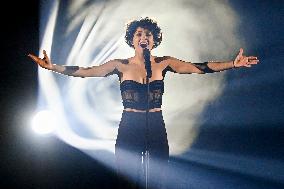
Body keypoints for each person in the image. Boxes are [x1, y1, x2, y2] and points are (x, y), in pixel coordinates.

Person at [28, 17, 259, 189]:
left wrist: (233, 64)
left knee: (158, 178)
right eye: (139, 34)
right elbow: (86, 72)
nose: (143, 37)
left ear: (154, 39)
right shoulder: (120, 64)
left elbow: (200, 67)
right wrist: (53, 67)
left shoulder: (163, 63)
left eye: (148, 34)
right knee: (126, 177)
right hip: (129, 124)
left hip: (156, 124)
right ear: (132, 39)